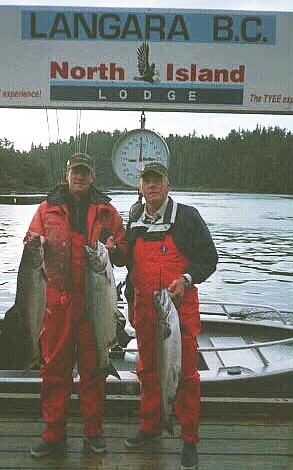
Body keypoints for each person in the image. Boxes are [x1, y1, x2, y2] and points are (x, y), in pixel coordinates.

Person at [27, 153, 127, 458]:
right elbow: (32, 244)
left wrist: (114, 249)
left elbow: (123, 255)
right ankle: (53, 433)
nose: (80, 177)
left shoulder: (108, 212)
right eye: (75, 173)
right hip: (57, 303)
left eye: (85, 173)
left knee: (94, 369)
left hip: (94, 301)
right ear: (67, 175)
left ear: (92, 177)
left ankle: (93, 431)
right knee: (54, 369)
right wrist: (33, 242)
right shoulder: (46, 209)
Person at [124, 162, 218, 470]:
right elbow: (128, 263)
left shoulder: (188, 217)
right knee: (147, 370)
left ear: (168, 185)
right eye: (146, 181)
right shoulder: (135, 217)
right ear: (141, 188)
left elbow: (209, 259)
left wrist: (187, 278)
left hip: (178, 312)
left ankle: (189, 440)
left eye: (157, 180)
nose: (151, 185)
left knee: (186, 376)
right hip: (143, 309)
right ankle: (152, 425)